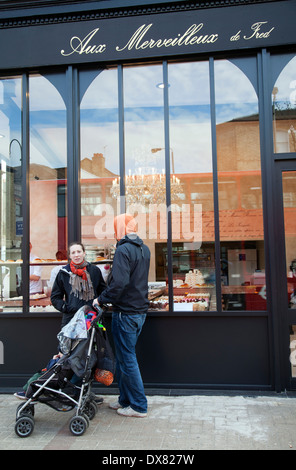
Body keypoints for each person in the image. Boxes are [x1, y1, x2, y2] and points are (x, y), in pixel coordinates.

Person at [93, 213, 150, 418]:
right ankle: (125, 400)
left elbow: (119, 284)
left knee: (127, 359)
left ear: (121, 228)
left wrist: (100, 299)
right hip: (139, 311)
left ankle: (138, 406)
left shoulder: (123, 249)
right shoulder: (144, 248)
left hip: (125, 312)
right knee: (126, 359)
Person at [51, 242, 106, 328]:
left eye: (79, 251)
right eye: (73, 253)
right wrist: (66, 307)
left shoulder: (94, 271)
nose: (76, 255)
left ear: (84, 253)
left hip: (91, 317)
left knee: (91, 341)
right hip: (71, 318)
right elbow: (55, 297)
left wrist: (98, 305)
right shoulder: (64, 273)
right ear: (69, 256)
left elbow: (103, 291)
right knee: (69, 342)